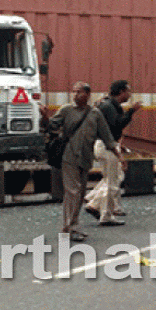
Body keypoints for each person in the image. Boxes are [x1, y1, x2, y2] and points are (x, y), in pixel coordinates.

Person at [48, 81, 121, 241]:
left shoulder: (95, 114)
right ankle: (70, 228)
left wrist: (118, 155)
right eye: (73, 91)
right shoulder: (66, 110)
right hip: (69, 156)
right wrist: (42, 116)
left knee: (80, 194)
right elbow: (51, 125)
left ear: (87, 95)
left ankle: (71, 224)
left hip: (85, 158)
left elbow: (107, 137)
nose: (75, 95)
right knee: (73, 191)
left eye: (79, 92)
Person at [85, 79, 142, 225]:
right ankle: (98, 207)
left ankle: (99, 207)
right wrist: (131, 112)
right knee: (112, 182)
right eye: (128, 90)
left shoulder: (110, 105)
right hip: (106, 146)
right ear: (121, 92)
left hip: (107, 145)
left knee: (113, 178)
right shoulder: (109, 106)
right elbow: (116, 125)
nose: (130, 94)